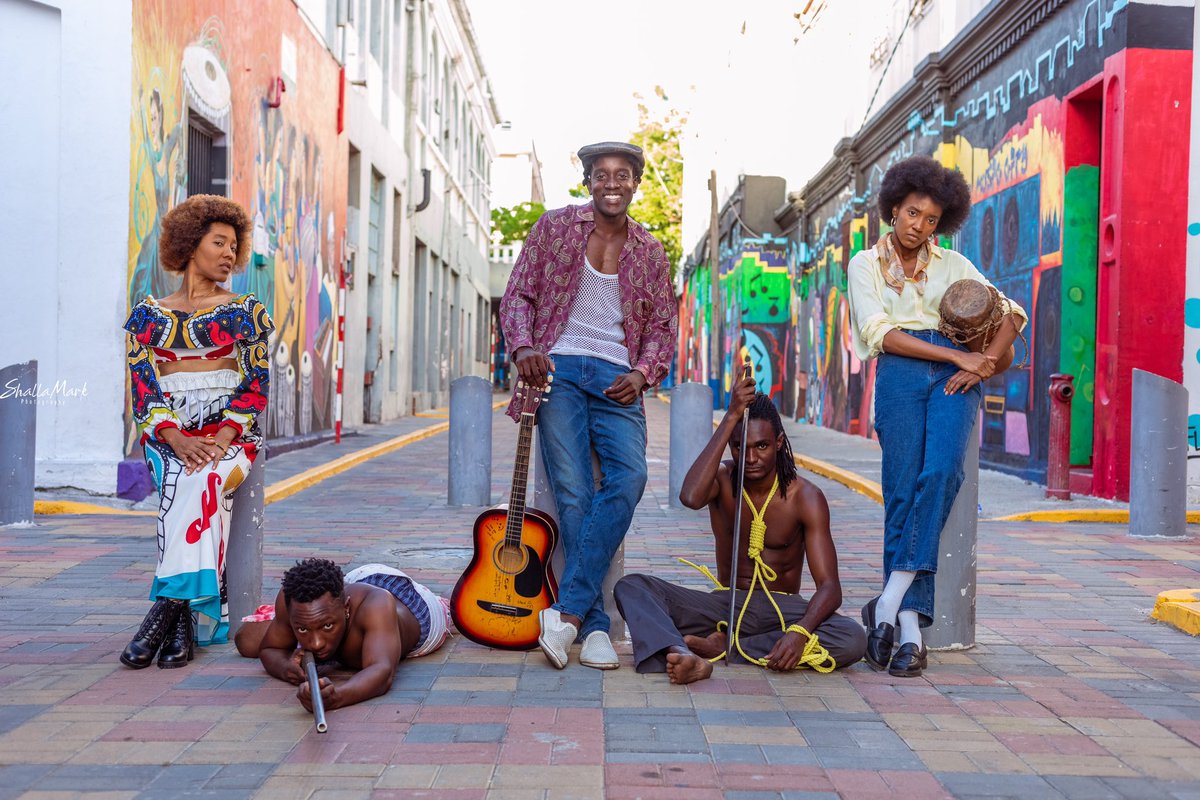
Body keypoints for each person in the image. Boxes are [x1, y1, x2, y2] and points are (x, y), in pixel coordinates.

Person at [499, 141, 677, 670]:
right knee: (574, 493)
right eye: (602, 175)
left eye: (623, 175)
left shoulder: (649, 250)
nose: (612, 183)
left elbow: (664, 327)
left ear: (636, 183)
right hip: (557, 369)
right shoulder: (554, 228)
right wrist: (524, 345)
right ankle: (595, 627)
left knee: (629, 477)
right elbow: (518, 296)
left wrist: (644, 373)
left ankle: (569, 612)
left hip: (617, 375)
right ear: (588, 182)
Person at [847, 156, 1027, 677]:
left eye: (930, 219)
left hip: (954, 381)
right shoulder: (865, 265)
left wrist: (986, 361)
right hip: (903, 375)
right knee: (902, 493)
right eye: (912, 213)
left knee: (943, 473)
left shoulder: (952, 264)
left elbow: (1012, 311)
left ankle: (886, 601)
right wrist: (957, 355)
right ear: (893, 209)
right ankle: (909, 634)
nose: (919, 226)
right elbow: (879, 332)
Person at [613, 376, 866, 684]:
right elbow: (689, 497)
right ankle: (685, 653)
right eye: (740, 447)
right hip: (726, 604)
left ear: (779, 442)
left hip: (782, 610)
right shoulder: (722, 480)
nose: (751, 458)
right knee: (632, 587)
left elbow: (830, 588)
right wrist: (731, 415)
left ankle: (722, 648)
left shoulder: (805, 497)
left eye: (761, 446)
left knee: (852, 638)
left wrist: (799, 634)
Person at [120, 194, 272, 670]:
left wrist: (219, 441)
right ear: (189, 245)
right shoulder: (147, 317)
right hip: (168, 440)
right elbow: (144, 393)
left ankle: (162, 615)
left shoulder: (246, 311)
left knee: (202, 479)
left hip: (232, 439)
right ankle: (182, 623)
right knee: (183, 477)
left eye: (234, 245)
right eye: (219, 242)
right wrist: (178, 440)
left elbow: (254, 388)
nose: (230, 254)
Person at [246, 559, 451, 712]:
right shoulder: (291, 597)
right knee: (246, 642)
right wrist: (285, 669)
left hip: (418, 606)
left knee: (454, 612)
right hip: (358, 578)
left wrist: (336, 697)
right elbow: (270, 649)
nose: (316, 644)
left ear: (346, 608)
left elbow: (382, 672)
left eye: (327, 626)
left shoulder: (376, 606)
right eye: (303, 629)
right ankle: (284, 620)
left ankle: (444, 603)